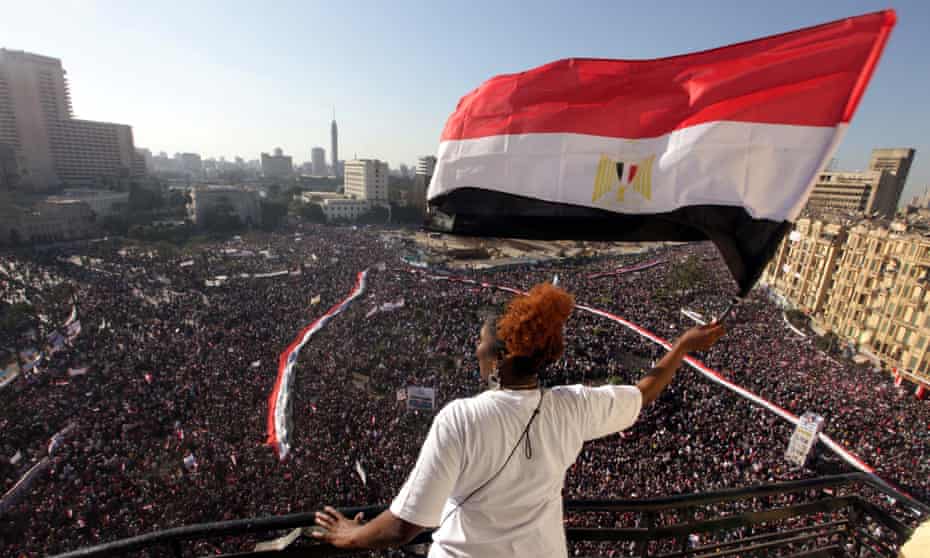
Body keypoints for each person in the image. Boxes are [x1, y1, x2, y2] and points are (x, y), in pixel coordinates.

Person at [313, 282, 726, 556]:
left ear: (501, 357)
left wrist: (349, 535)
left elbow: (404, 527)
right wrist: (683, 347)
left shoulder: (461, 419)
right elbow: (643, 393)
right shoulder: (573, 407)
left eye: (480, 341)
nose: (475, 348)